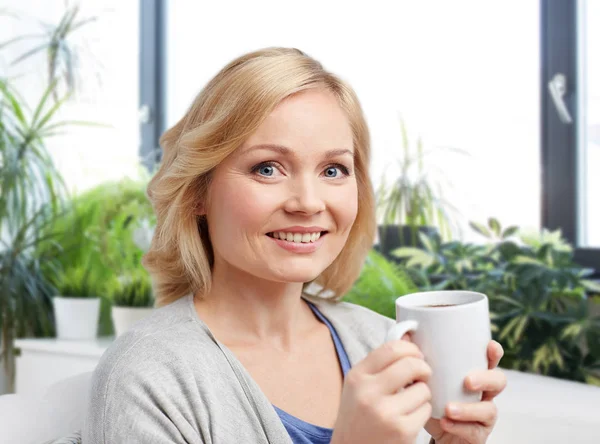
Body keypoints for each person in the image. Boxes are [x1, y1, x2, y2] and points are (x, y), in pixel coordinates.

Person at [83, 47, 506, 444]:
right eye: (267, 168)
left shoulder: (382, 343)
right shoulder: (146, 374)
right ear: (197, 192)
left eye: (334, 169)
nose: (308, 202)